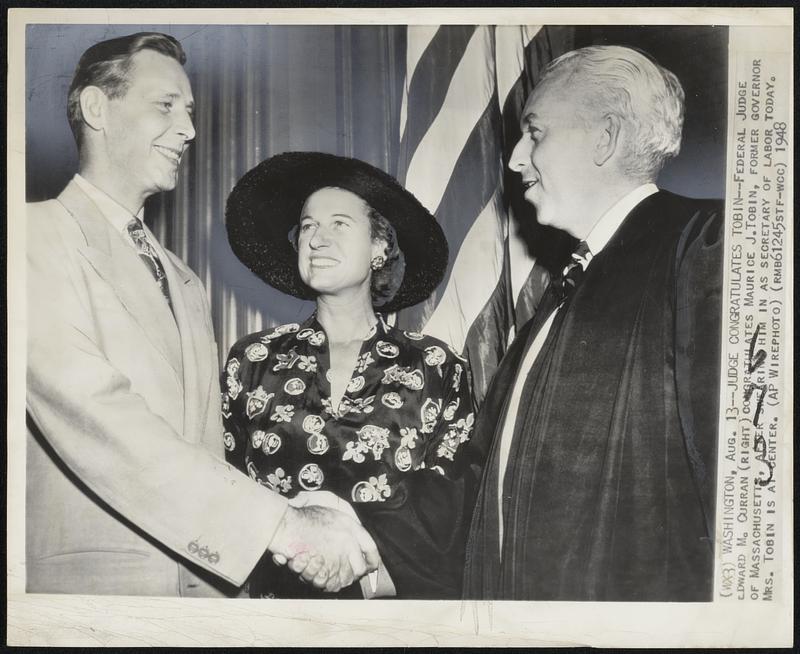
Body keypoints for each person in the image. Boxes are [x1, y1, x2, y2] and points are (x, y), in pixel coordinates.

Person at [25, 32, 378, 597]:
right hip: (92, 598)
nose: (189, 130)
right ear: (97, 108)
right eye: (166, 106)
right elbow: (96, 411)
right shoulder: (30, 235)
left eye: (189, 113)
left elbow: (203, 453)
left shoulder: (183, 280)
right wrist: (283, 526)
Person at [463, 45, 723, 601]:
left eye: (535, 133)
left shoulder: (707, 247)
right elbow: (478, 482)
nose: (513, 159)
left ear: (605, 138)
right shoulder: (561, 296)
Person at [223, 152, 480, 598]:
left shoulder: (437, 367)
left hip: (396, 617)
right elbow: (223, 489)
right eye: (307, 226)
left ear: (381, 247)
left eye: (339, 224)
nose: (316, 239)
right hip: (273, 617)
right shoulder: (252, 360)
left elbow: (451, 507)